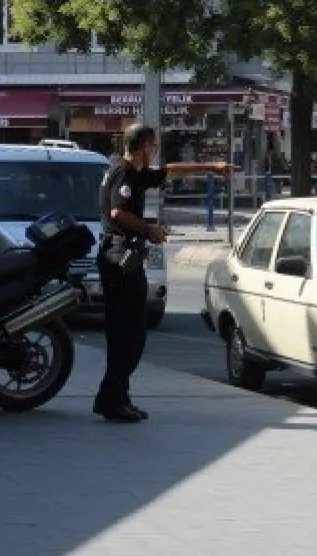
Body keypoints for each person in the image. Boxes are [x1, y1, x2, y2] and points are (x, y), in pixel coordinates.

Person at [94, 122, 235, 423]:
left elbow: (169, 171)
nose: (155, 151)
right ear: (143, 146)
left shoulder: (129, 170)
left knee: (128, 334)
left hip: (122, 257)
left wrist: (211, 166)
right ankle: (110, 398)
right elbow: (119, 212)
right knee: (129, 335)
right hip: (120, 259)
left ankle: (117, 397)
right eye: (153, 145)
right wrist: (150, 230)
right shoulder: (125, 172)